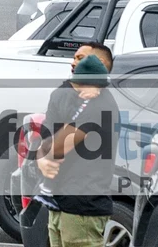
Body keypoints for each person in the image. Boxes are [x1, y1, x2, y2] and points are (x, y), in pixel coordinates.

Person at [37, 52, 119, 247]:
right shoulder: (80, 103)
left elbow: (58, 147)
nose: (70, 87)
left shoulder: (97, 107)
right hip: (61, 202)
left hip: (82, 206)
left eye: (74, 84)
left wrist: (46, 151)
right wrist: (42, 155)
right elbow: (46, 138)